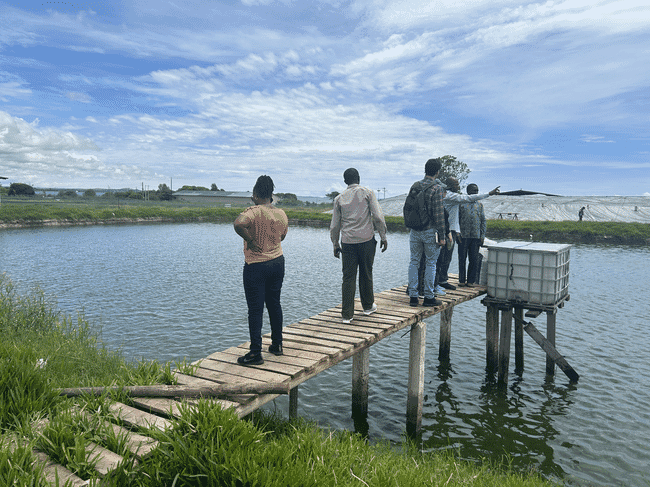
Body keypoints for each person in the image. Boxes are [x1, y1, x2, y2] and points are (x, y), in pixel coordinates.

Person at [233, 175, 288, 366]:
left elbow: (238, 223)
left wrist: (251, 240)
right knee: (274, 303)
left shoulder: (253, 211)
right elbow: (282, 235)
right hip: (277, 262)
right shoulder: (281, 213)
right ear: (271, 195)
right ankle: (277, 345)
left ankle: (256, 353)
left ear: (255, 194)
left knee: (255, 309)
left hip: (256, 265)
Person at [330, 168, 388, 323]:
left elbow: (335, 225)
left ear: (345, 181)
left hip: (348, 242)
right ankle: (368, 307)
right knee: (366, 273)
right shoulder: (367, 193)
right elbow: (378, 216)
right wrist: (383, 236)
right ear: (359, 178)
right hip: (367, 240)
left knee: (348, 277)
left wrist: (335, 244)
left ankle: (347, 315)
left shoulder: (339, 199)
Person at [434, 177, 500, 294]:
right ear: (450, 185)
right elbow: (461, 210)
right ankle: (439, 283)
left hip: (461, 232)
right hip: (451, 231)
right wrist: (490, 193)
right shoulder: (453, 198)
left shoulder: (477, 205)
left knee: (451, 257)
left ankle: (444, 280)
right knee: (444, 258)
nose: (459, 186)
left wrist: (481, 234)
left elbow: (481, 220)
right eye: (456, 184)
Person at [406, 159, 446, 307]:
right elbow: (439, 215)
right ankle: (429, 297)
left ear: (425, 170)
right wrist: (442, 236)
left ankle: (413, 296)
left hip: (414, 231)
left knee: (414, 262)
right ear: (437, 172)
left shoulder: (415, 186)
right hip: (430, 231)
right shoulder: (437, 188)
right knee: (431, 263)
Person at [458, 183, 487, 287]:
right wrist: (457, 234)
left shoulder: (480, 205)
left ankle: (471, 281)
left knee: (474, 259)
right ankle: (461, 280)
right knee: (462, 259)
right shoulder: (461, 203)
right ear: (468, 192)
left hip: (475, 236)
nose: (475, 193)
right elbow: (457, 220)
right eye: (473, 191)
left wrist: (482, 236)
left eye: (477, 191)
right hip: (463, 236)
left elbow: (483, 221)